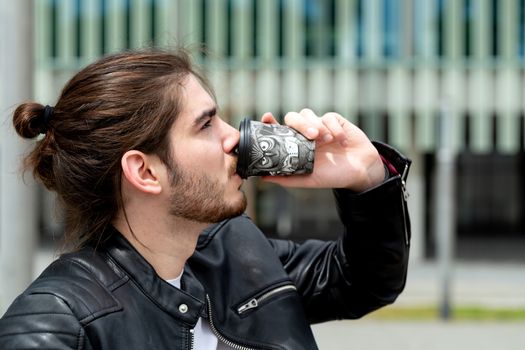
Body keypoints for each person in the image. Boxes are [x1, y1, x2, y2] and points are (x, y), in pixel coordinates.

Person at [0, 48, 411, 350]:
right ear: (145, 171)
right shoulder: (57, 323)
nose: (235, 135)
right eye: (207, 124)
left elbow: (363, 282)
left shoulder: (234, 248)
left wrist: (366, 177)